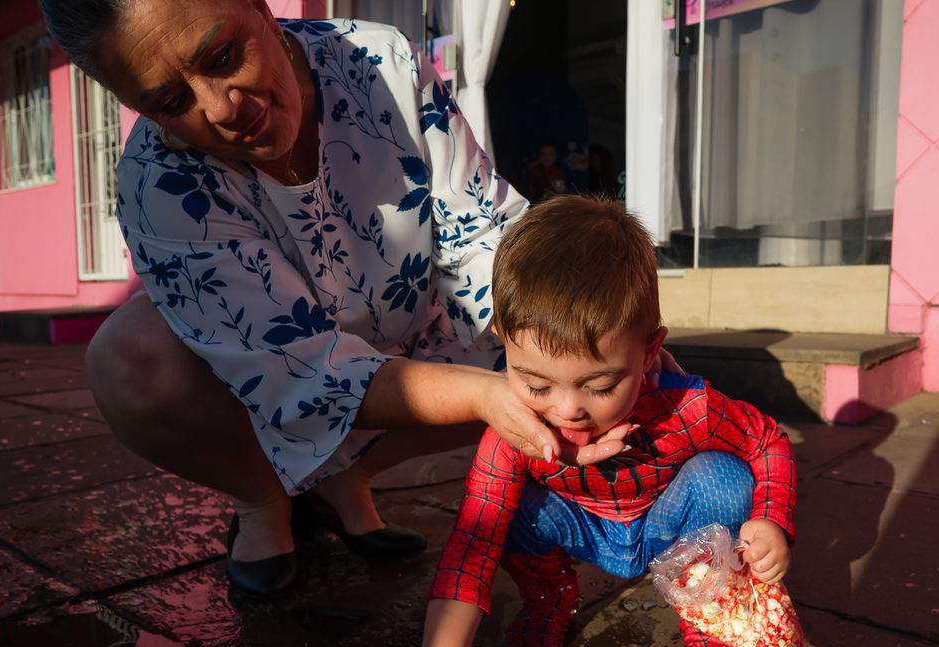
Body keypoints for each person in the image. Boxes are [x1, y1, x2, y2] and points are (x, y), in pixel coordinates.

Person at [37, 0, 647, 600]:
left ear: (260, 7)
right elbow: (298, 370)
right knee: (131, 360)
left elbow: (484, 239)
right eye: (171, 102)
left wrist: (591, 340)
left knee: (537, 337)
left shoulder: (381, 64)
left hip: (413, 330)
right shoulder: (158, 180)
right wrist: (486, 398)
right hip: (276, 373)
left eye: (223, 55)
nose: (224, 108)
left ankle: (345, 478)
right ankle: (261, 497)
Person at [382, 195, 797, 647]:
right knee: (505, 506)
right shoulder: (513, 434)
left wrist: (772, 518)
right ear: (503, 340)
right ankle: (549, 597)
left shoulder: (689, 407)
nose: (568, 409)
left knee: (723, 477)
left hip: (664, 526)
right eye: (535, 383)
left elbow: (767, 439)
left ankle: (711, 611)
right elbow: (472, 547)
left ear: (649, 350)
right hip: (579, 526)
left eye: (599, 385)